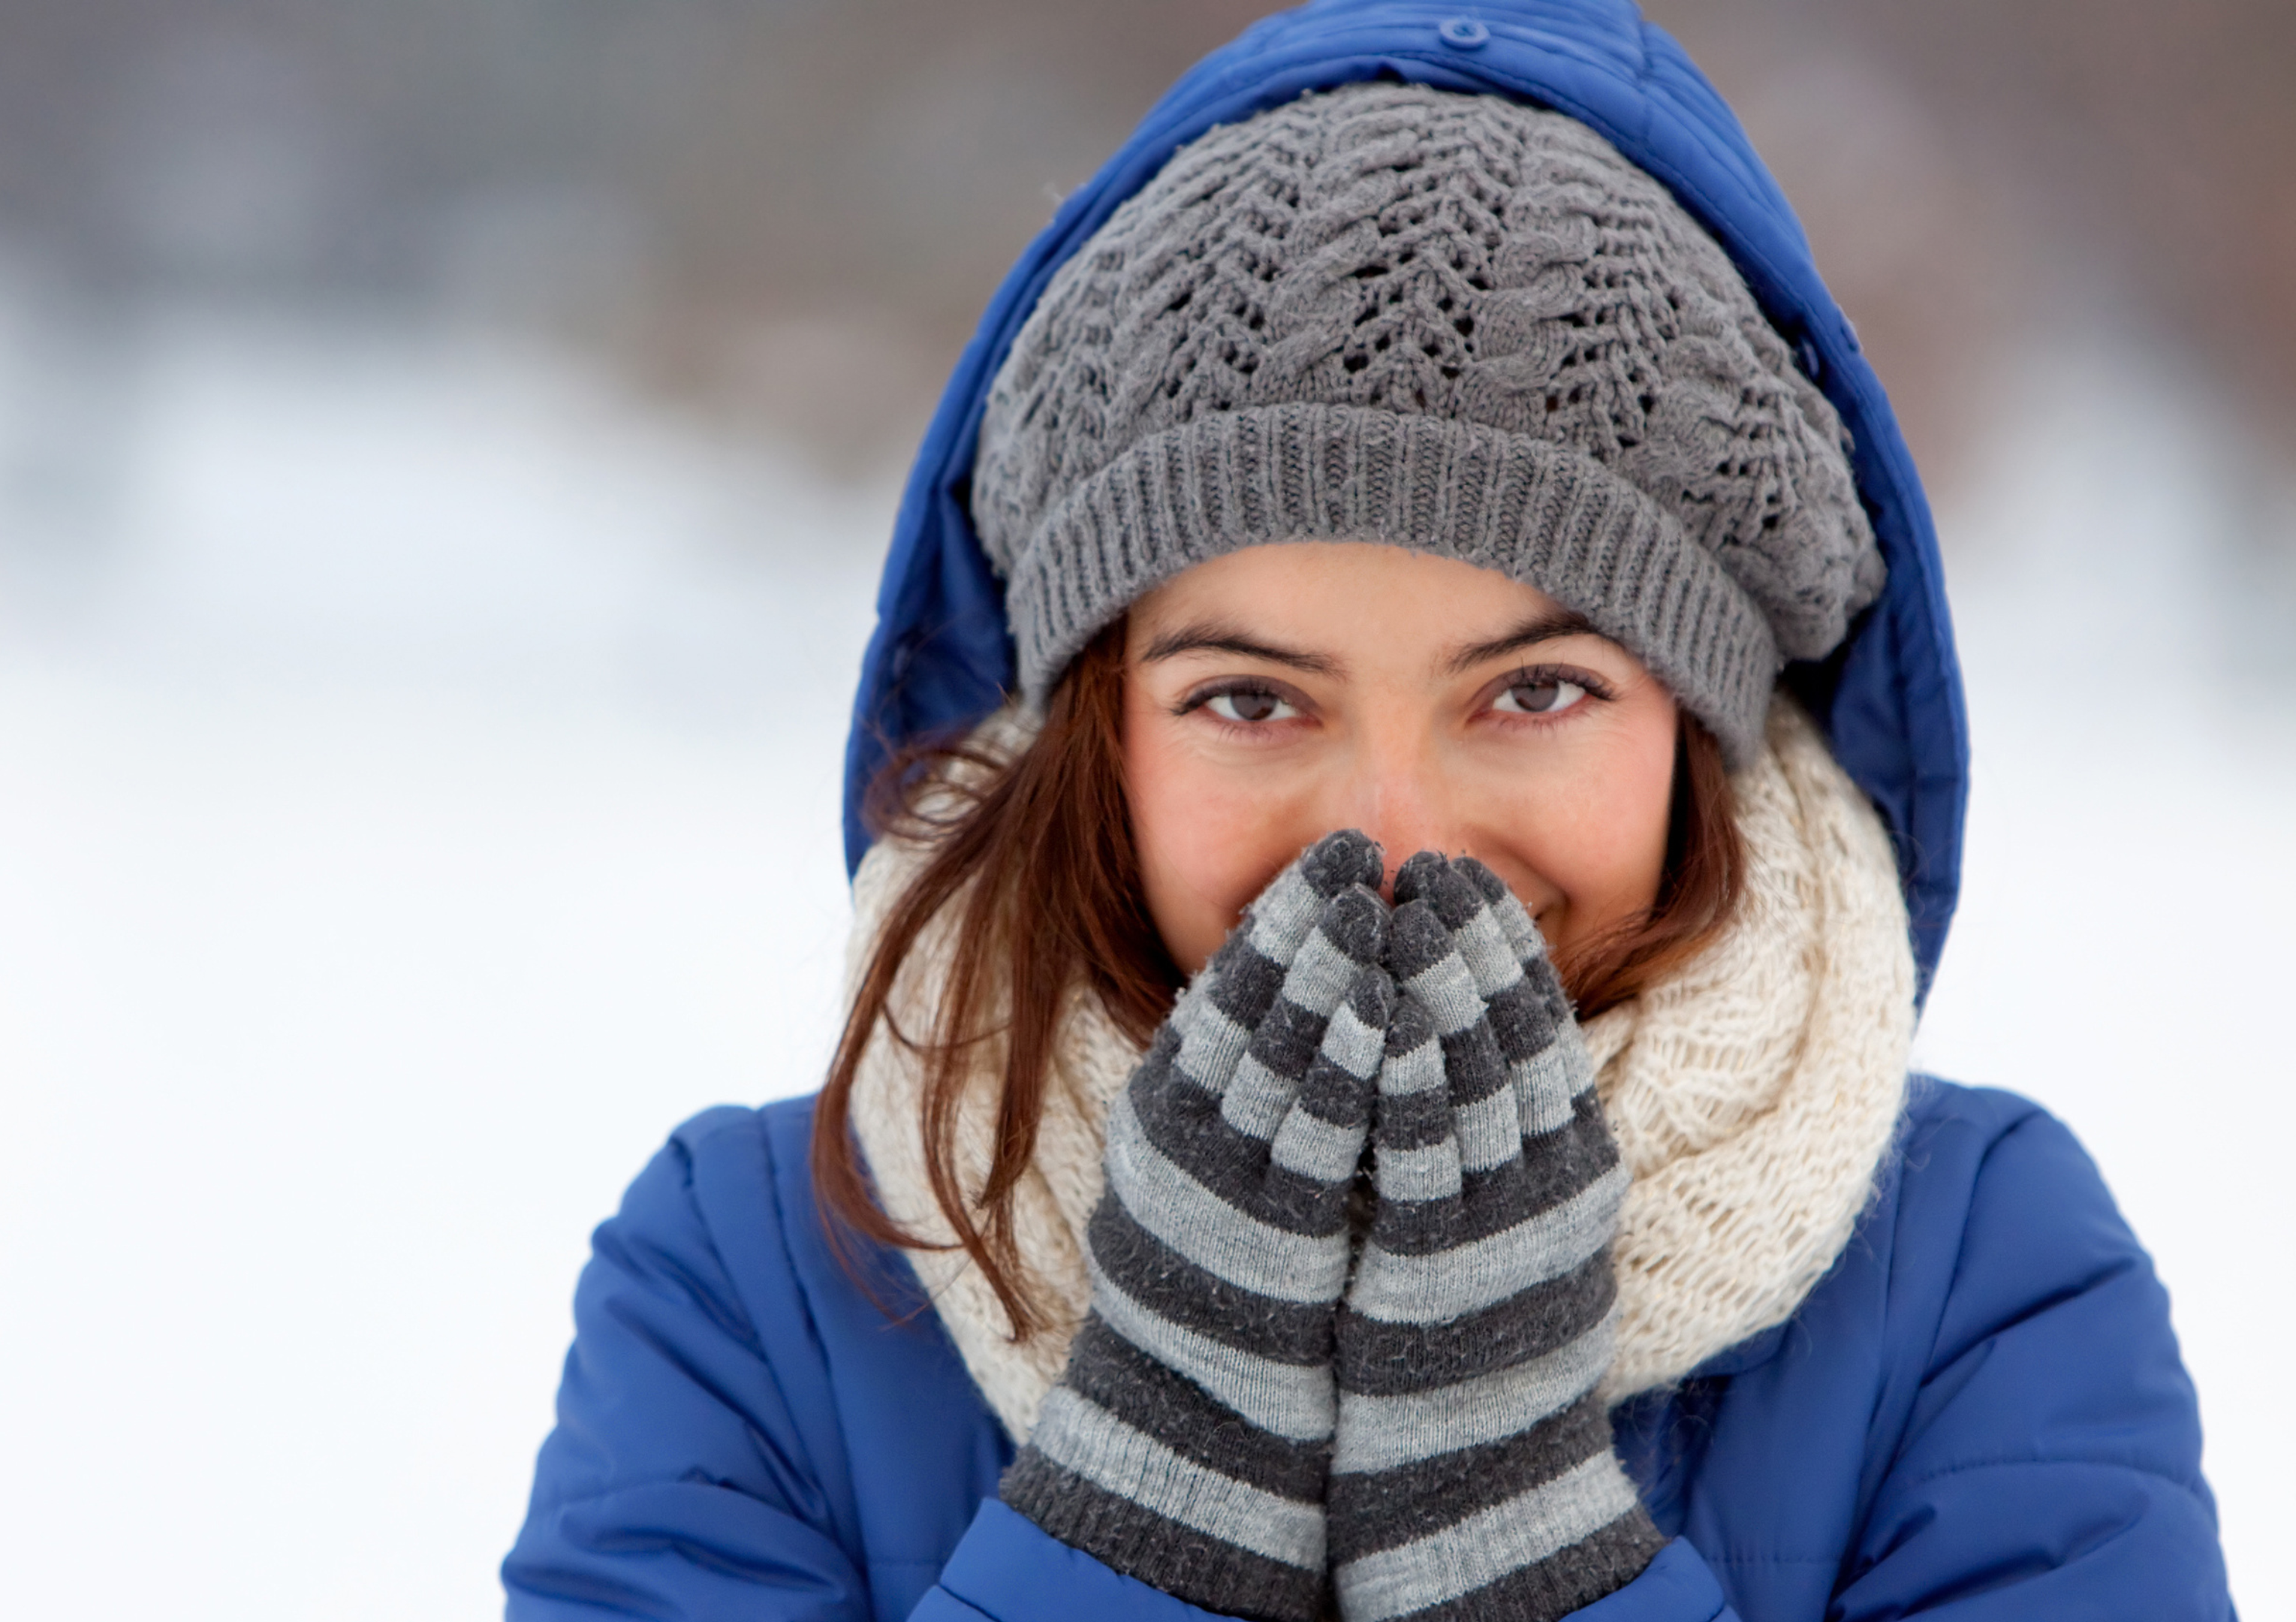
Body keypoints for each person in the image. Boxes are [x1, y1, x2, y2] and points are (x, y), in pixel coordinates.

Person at [502, 2, 2236, 1617]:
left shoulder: (1975, 1281)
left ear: (1703, 732)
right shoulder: (757, 1281)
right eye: (1251, 701)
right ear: (1091, 735)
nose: (1395, 842)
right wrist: (1147, 1514)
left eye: (1535, 692)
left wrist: (1528, 1551)